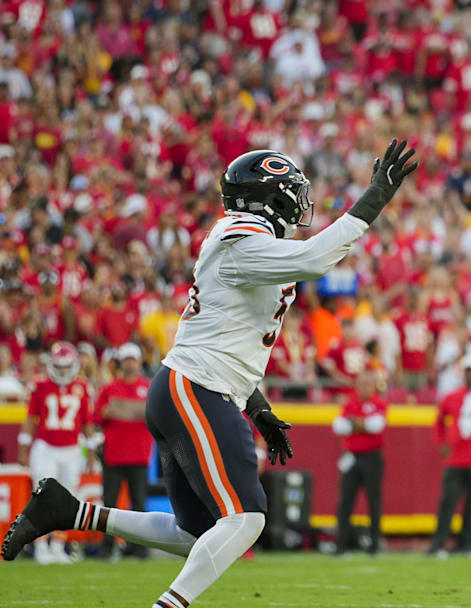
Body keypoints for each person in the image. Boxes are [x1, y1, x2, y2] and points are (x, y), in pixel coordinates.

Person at [3, 139, 419, 608]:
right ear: (271, 198)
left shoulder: (246, 241)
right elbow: (315, 259)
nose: (300, 204)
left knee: (196, 533)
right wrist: (374, 199)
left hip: (196, 386)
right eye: (292, 194)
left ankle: (70, 510)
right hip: (196, 387)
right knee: (248, 518)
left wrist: (258, 408)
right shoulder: (239, 237)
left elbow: (231, 335)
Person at [17, 342, 93, 564]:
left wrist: (89, 453)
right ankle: (41, 547)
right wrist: (23, 448)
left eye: (65, 367)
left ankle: (58, 546)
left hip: (71, 449)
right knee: (41, 497)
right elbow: (30, 419)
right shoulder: (39, 385)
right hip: (46, 447)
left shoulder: (82, 387)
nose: (62, 372)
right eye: (58, 367)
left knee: (66, 501)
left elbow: (87, 423)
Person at [428, 354, 471, 556]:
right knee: (448, 502)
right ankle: (439, 543)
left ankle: (469, 543)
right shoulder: (452, 396)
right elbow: (438, 421)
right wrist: (441, 443)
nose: (470, 374)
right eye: (468, 371)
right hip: (456, 459)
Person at [93, 342, 153, 560]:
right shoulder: (109, 389)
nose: (129, 363)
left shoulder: (148, 387)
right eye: (126, 359)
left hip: (139, 455)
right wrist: (106, 412)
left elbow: (156, 417)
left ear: (138, 362)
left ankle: (139, 548)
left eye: (133, 359)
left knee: (138, 504)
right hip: (114, 455)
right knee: (109, 504)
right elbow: (96, 417)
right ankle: (107, 547)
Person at [333, 368, 388, 556]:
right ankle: (341, 544)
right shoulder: (350, 403)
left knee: (373, 502)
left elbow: (377, 426)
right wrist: (362, 424)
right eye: (361, 383)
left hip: (372, 457)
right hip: (352, 456)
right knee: (345, 501)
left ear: (373, 386)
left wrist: (355, 424)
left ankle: (374, 544)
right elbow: (339, 426)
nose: (364, 387)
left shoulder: (378, 403)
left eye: (367, 384)